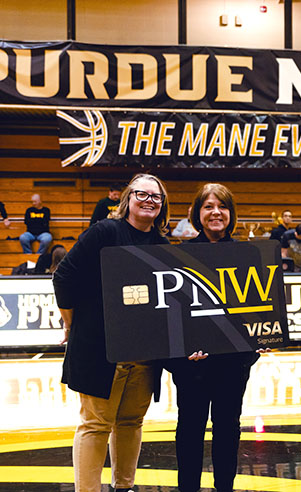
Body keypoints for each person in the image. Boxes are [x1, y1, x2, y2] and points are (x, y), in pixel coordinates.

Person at [52, 173, 171, 492]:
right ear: (128, 199)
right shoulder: (105, 231)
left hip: (143, 353)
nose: (149, 201)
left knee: (131, 422)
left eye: (156, 197)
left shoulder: (162, 243)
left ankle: (124, 486)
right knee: (95, 425)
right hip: (99, 349)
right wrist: (71, 323)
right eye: (142, 194)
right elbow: (63, 278)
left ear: (162, 205)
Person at [164, 183, 259, 492]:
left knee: (228, 430)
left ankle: (224, 488)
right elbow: (171, 314)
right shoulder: (178, 255)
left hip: (232, 363)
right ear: (197, 213)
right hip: (192, 365)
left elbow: (258, 309)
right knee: (189, 430)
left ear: (230, 214)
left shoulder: (248, 255)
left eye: (222, 206)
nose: (216, 212)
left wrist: (259, 343)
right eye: (208, 206)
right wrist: (179, 354)